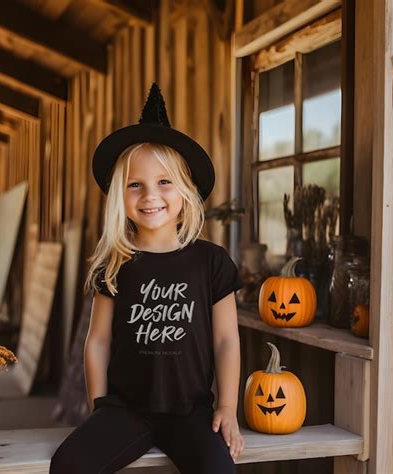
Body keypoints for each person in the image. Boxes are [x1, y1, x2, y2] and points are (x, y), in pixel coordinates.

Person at [50, 83, 245, 474]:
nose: (149, 195)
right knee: (68, 465)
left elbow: (225, 340)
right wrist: (98, 407)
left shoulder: (211, 262)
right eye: (135, 184)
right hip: (125, 410)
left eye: (164, 182)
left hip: (192, 412)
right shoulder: (115, 263)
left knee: (219, 471)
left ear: (186, 191)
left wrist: (226, 406)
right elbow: (98, 341)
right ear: (119, 196)